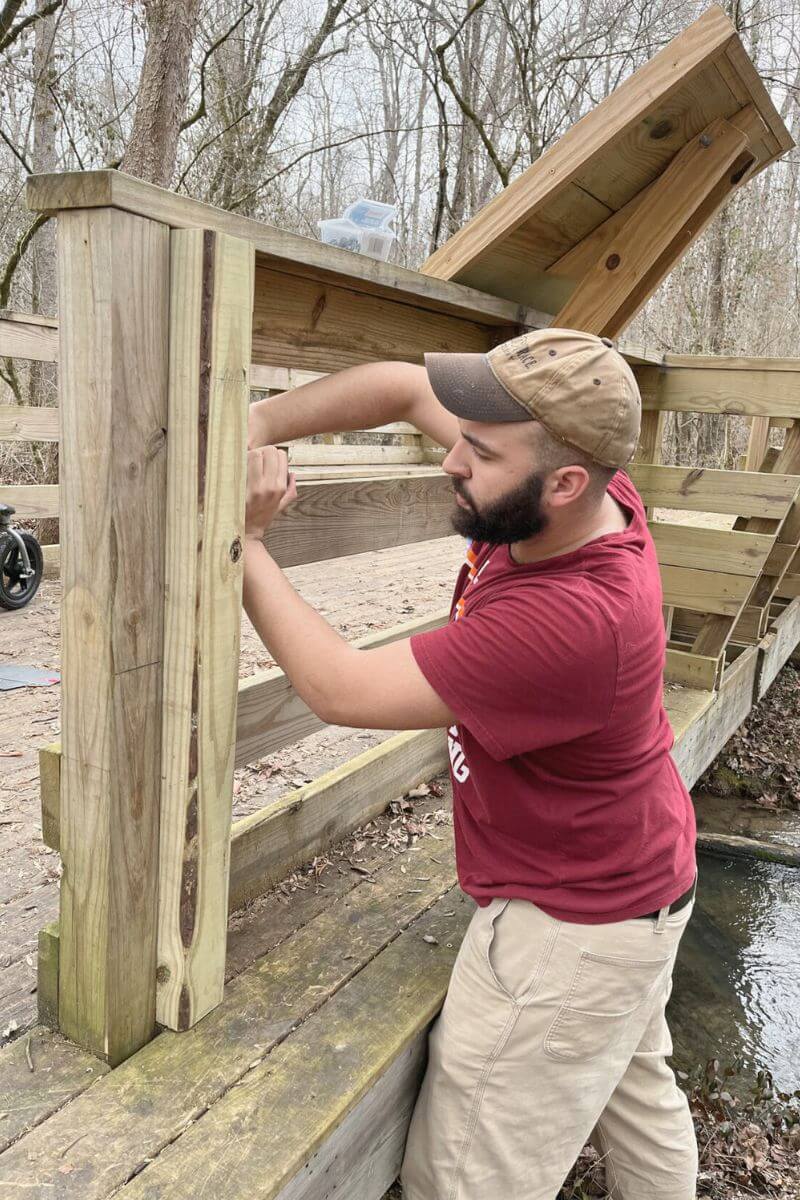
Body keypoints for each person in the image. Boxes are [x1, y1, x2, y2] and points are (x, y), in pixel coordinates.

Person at [244, 328, 698, 1200]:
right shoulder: (580, 486)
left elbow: (339, 688)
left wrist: (249, 543)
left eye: (478, 451)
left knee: (462, 1178)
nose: (450, 457)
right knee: (638, 1098)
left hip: (573, 925)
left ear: (562, 483)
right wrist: (251, 425)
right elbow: (397, 380)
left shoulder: (570, 622)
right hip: (641, 879)